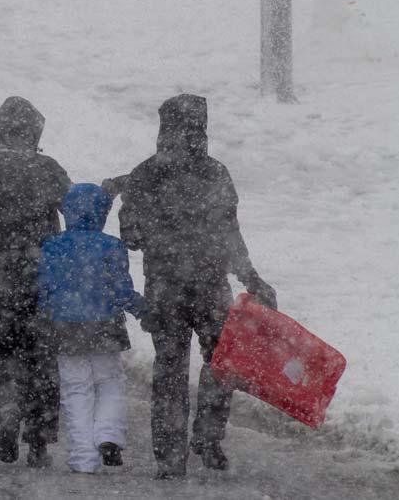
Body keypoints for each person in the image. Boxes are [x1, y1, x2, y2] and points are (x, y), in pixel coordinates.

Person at [113, 94, 277, 479]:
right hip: (210, 286)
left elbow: (131, 235)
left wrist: (161, 232)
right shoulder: (215, 172)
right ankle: (207, 434)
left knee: (169, 369)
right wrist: (251, 276)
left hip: (165, 289)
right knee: (221, 362)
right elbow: (231, 234)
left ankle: (170, 457)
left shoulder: (145, 174)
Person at [0, 96, 70, 467]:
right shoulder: (48, 168)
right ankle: (39, 440)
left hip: (0, 280)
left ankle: (8, 415)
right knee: (42, 358)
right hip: (42, 281)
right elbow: (75, 212)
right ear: (34, 131)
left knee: (6, 352)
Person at [37, 183, 146, 474]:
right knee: (109, 382)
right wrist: (143, 309)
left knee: (76, 391)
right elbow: (122, 291)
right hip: (104, 325)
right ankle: (109, 435)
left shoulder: (51, 246)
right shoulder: (111, 245)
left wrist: (44, 317)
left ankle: (83, 459)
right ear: (101, 213)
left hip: (64, 326)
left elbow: (44, 290)